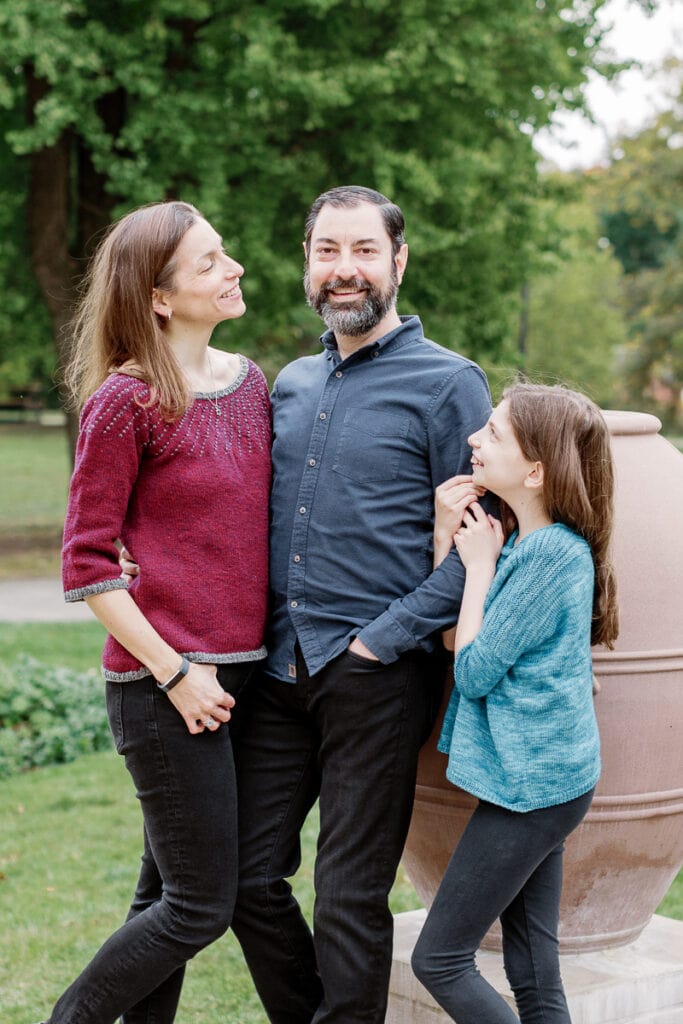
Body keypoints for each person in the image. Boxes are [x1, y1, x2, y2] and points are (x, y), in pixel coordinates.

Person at [229, 185, 493, 1024]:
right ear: (306, 263)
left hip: (375, 676)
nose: (344, 270)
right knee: (240, 876)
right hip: (276, 667)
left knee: (346, 896)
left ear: (398, 261)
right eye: (326, 251)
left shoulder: (449, 382)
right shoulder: (290, 384)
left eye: (363, 251)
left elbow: (486, 540)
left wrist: (383, 640)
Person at [42, 201, 272, 1024]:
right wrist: (173, 672)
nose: (233, 267)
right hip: (164, 689)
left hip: (246, 682)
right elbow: (87, 564)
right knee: (199, 907)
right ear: (161, 298)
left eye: (224, 251)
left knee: (163, 898)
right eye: (209, 262)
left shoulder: (252, 387)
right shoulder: (126, 401)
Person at [411, 383, 619, 1023]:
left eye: (493, 433)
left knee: (439, 959)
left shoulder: (550, 556)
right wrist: (453, 541)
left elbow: (470, 672)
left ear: (535, 470)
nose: (475, 439)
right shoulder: (526, 545)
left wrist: (478, 569)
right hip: (537, 782)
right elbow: (459, 638)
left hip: (533, 788)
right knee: (533, 974)